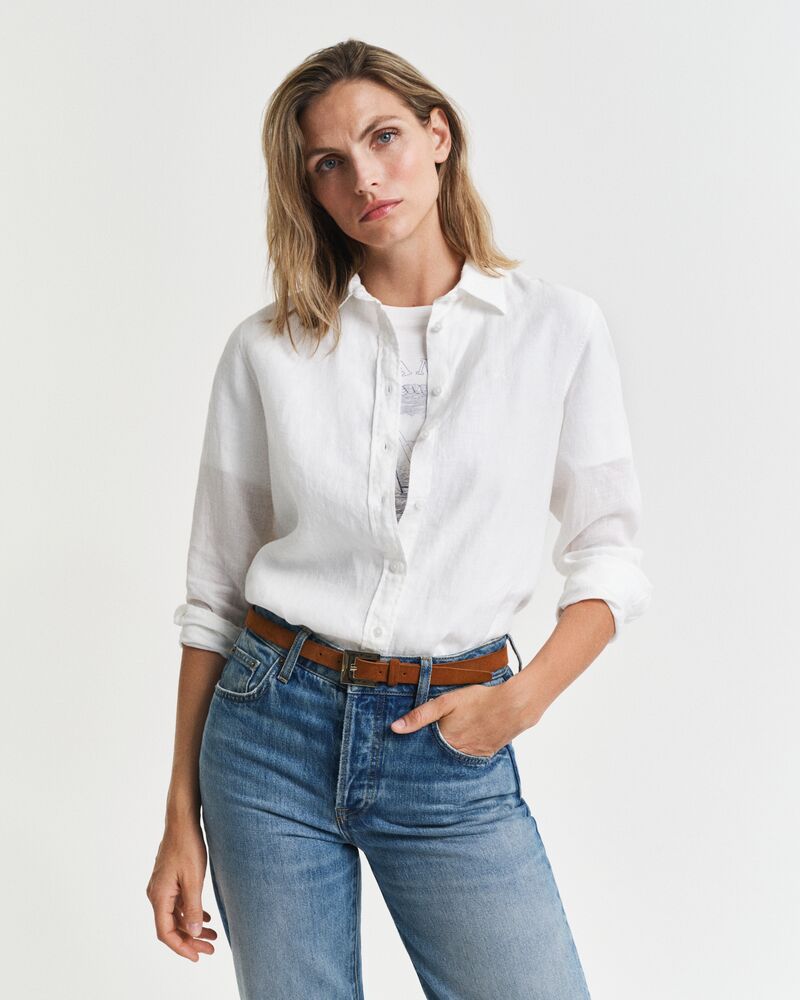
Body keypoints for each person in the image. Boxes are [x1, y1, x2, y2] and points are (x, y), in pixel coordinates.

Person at [146, 38, 652, 1000]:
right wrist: (180, 814)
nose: (365, 179)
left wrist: (523, 699)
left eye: (384, 138)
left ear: (439, 134)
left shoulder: (557, 330)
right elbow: (212, 598)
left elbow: (610, 556)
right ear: (307, 188)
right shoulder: (267, 351)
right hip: (267, 734)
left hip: (449, 742)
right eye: (328, 163)